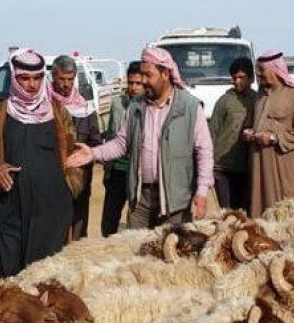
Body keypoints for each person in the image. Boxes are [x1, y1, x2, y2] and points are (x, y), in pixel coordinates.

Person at [67, 46, 213, 229]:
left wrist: (201, 192)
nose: (143, 81)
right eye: (141, 75)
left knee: (170, 252)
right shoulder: (136, 106)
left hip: (176, 201)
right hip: (140, 198)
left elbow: (204, 151)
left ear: (166, 74)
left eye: (148, 75)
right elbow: (121, 143)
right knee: (137, 253)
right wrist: (93, 154)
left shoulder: (189, 107)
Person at [0, 48, 82, 280]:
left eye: (37, 78)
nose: (32, 85)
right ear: (14, 78)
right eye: (25, 78)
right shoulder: (0, 114)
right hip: (11, 206)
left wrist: (70, 186)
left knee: (46, 276)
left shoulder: (58, 113)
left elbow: (75, 155)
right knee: (12, 274)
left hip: (51, 209)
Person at [244, 50, 294, 217]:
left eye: (262, 70)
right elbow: (253, 121)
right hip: (259, 162)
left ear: (275, 71)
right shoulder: (260, 95)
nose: (259, 74)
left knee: (283, 209)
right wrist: (250, 132)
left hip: (282, 164)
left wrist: (274, 138)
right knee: (259, 207)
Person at [50, 55, 101, 241]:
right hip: (53, 176)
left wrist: (85, 153)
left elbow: (95, 141)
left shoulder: (85, 108)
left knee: (79, 221)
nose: (66, 84)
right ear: (53, 77)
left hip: (81, 177)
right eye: (62, 79)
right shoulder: (45, 107)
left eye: (70, 79)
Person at [100, 61, 145, 236]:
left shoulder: (148, 106)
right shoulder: (117, 103)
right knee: (109, 221)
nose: (134, 88)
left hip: (137, 172)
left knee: (136, 221)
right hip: (116, 170)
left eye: (138, 83)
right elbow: (111, 135)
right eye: (131, 82)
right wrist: (107, 169)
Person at [208, 57, 257, 214]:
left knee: (244, 211)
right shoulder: (224, 101)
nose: (237, 82)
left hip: (246, 166)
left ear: (251, 78)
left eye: (241, 77)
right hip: (222, 167)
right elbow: (212, 132)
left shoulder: (258, 100)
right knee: (226, 212)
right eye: (234, 78)